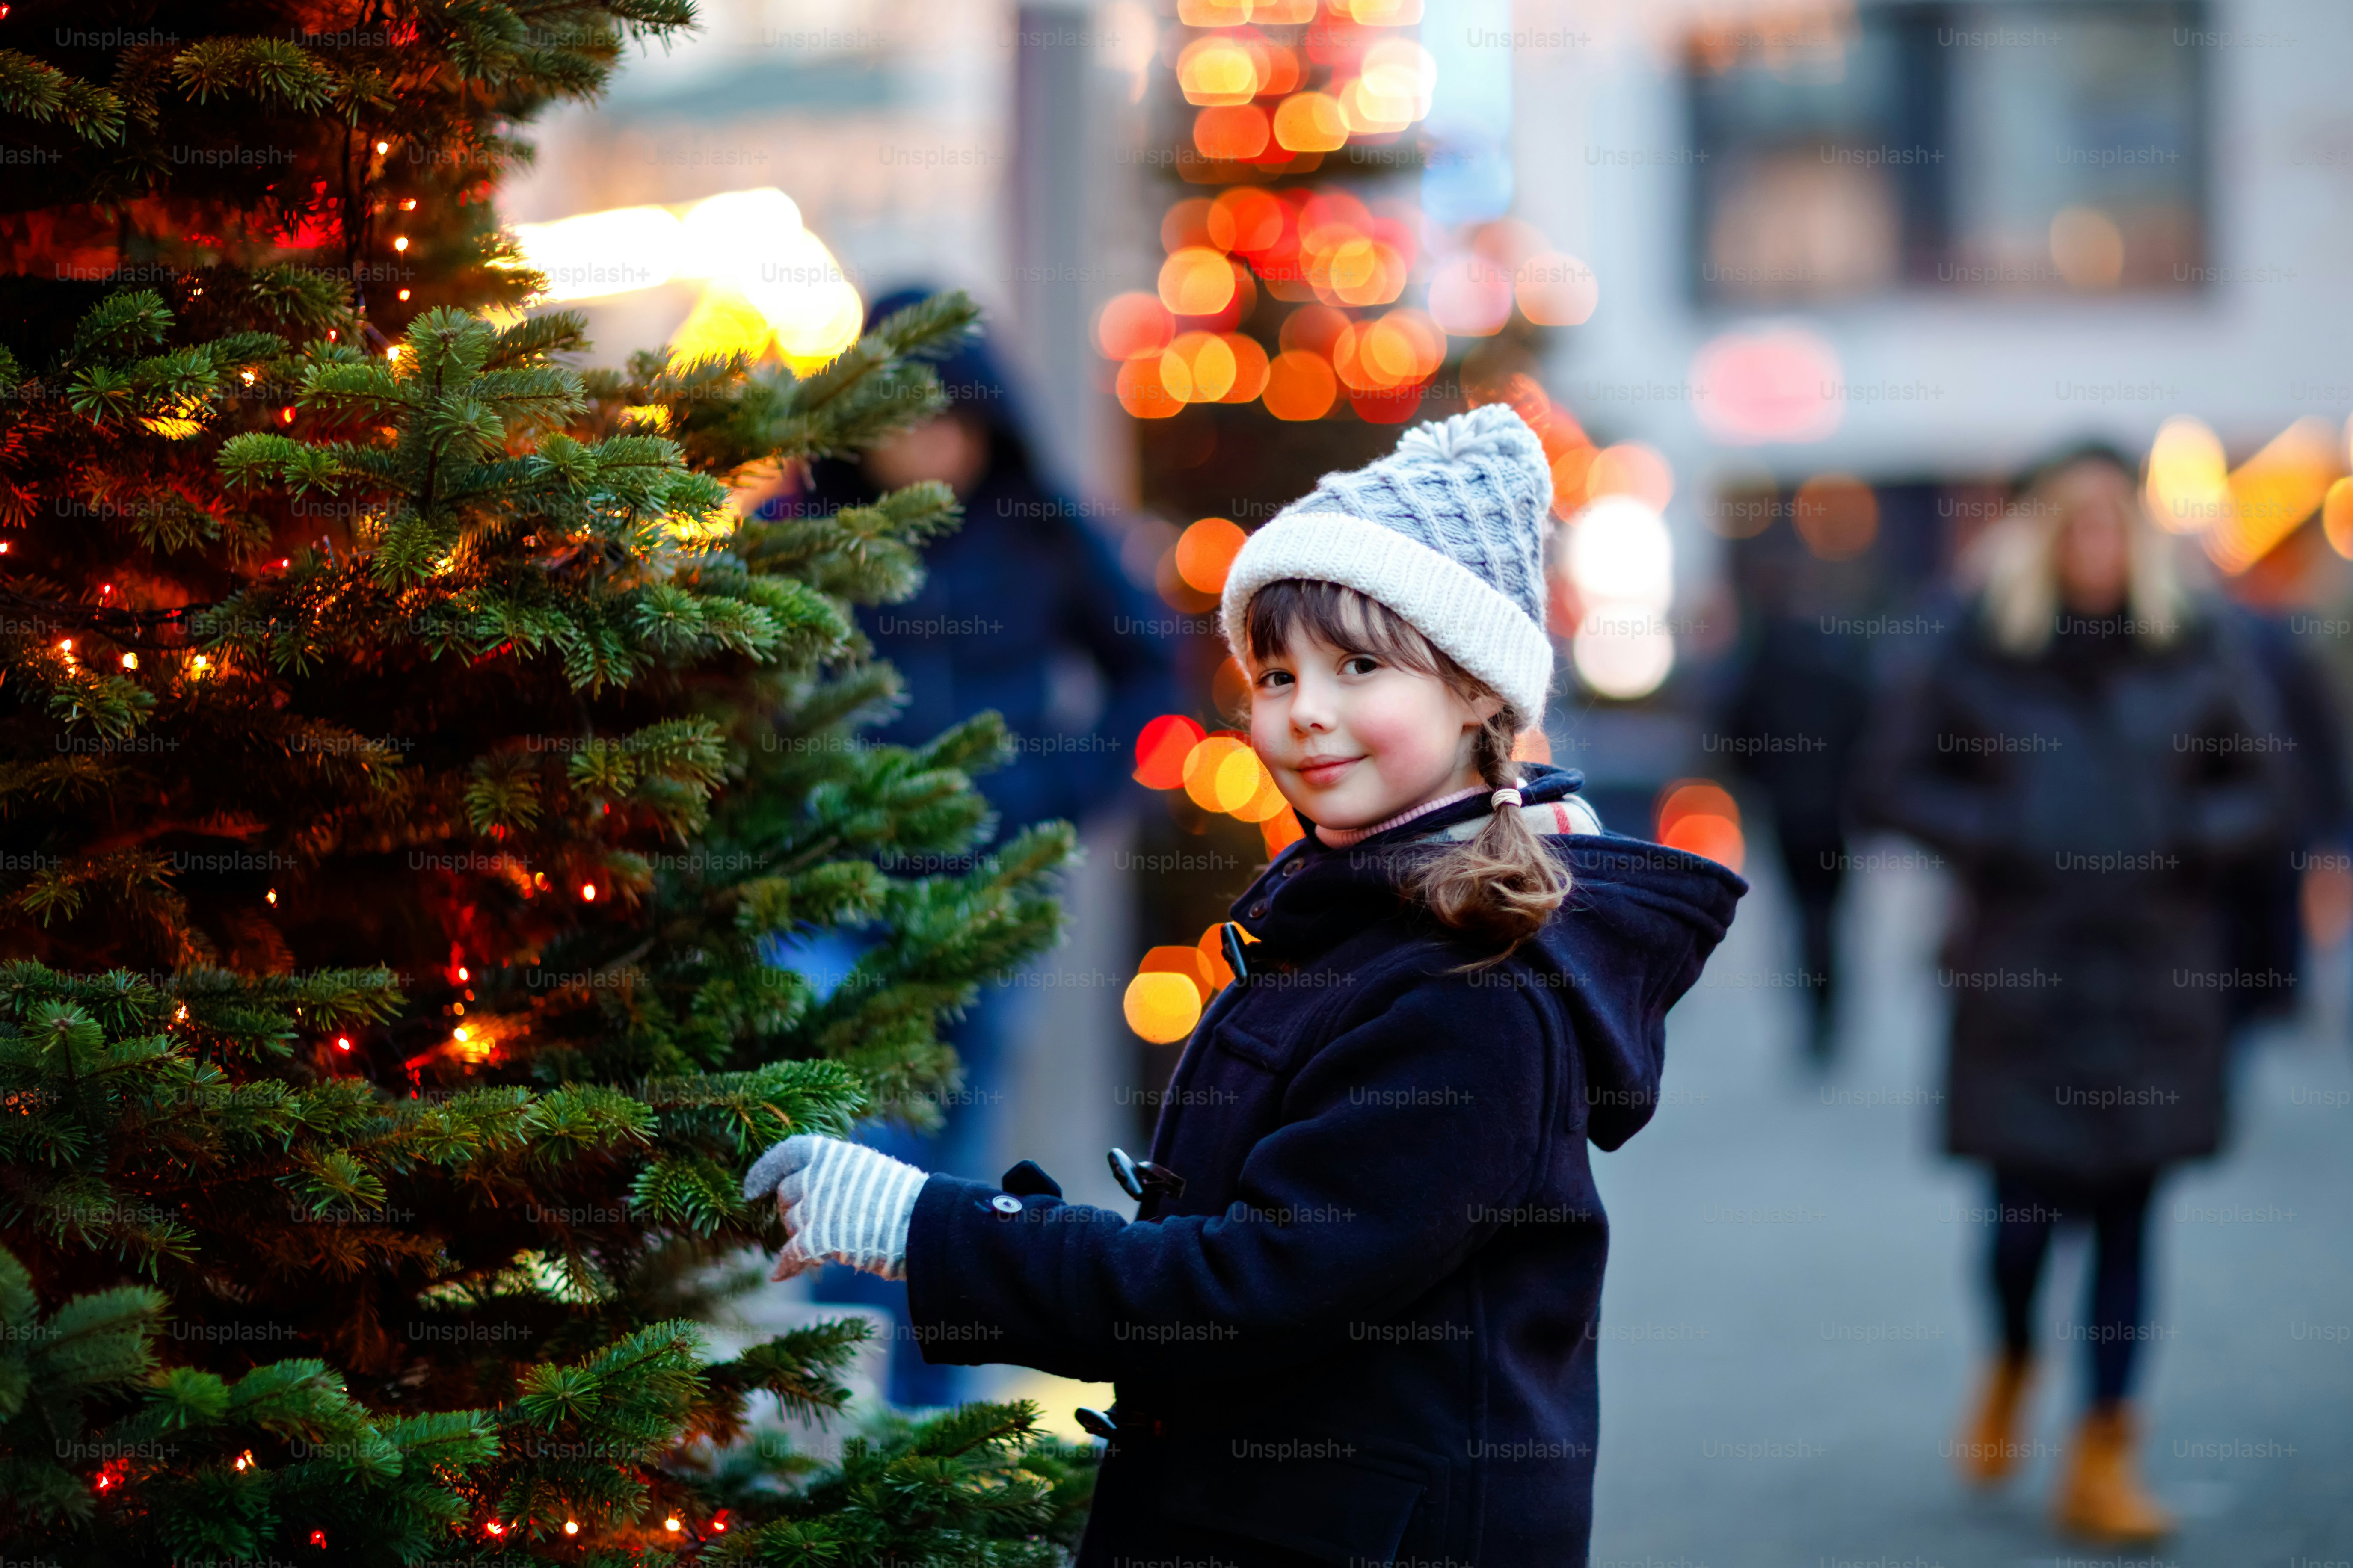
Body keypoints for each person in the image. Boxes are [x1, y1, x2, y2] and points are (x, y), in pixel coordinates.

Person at [741, 406, 1746, 1565]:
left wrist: (927, 1224)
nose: (1302, 709)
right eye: (1273, 673)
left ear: (1478, 695)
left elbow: (1243, 1289)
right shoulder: (1353, 922)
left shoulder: (1470, 994)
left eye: (1359, 664)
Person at [1855, 443, 2295, 1544]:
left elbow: (2265, 781)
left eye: (2113, 523)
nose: (2095, 545)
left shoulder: (2195, 644)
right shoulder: (1974, 647)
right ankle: (2009, 1355)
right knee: (2017, 1221)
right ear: (2043, 534)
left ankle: (2102, 1454)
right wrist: (2001, 835)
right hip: (2021, 968)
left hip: (2155, 970)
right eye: (2075, 522)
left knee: (2128, 1218)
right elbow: (1892, 780)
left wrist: (2188, 837)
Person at [756, 289, 1176, 1407]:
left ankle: (917, 1429)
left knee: (943, 1173)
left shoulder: (1043, 534)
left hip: (981, 907)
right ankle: (830, 1409)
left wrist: (1049, 796)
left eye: (946, 419)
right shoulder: (796, 536)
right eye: (897, 419)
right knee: (840, 1137)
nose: (923, 445)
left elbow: (1153, 673)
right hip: (825, 900)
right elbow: (718, 691)